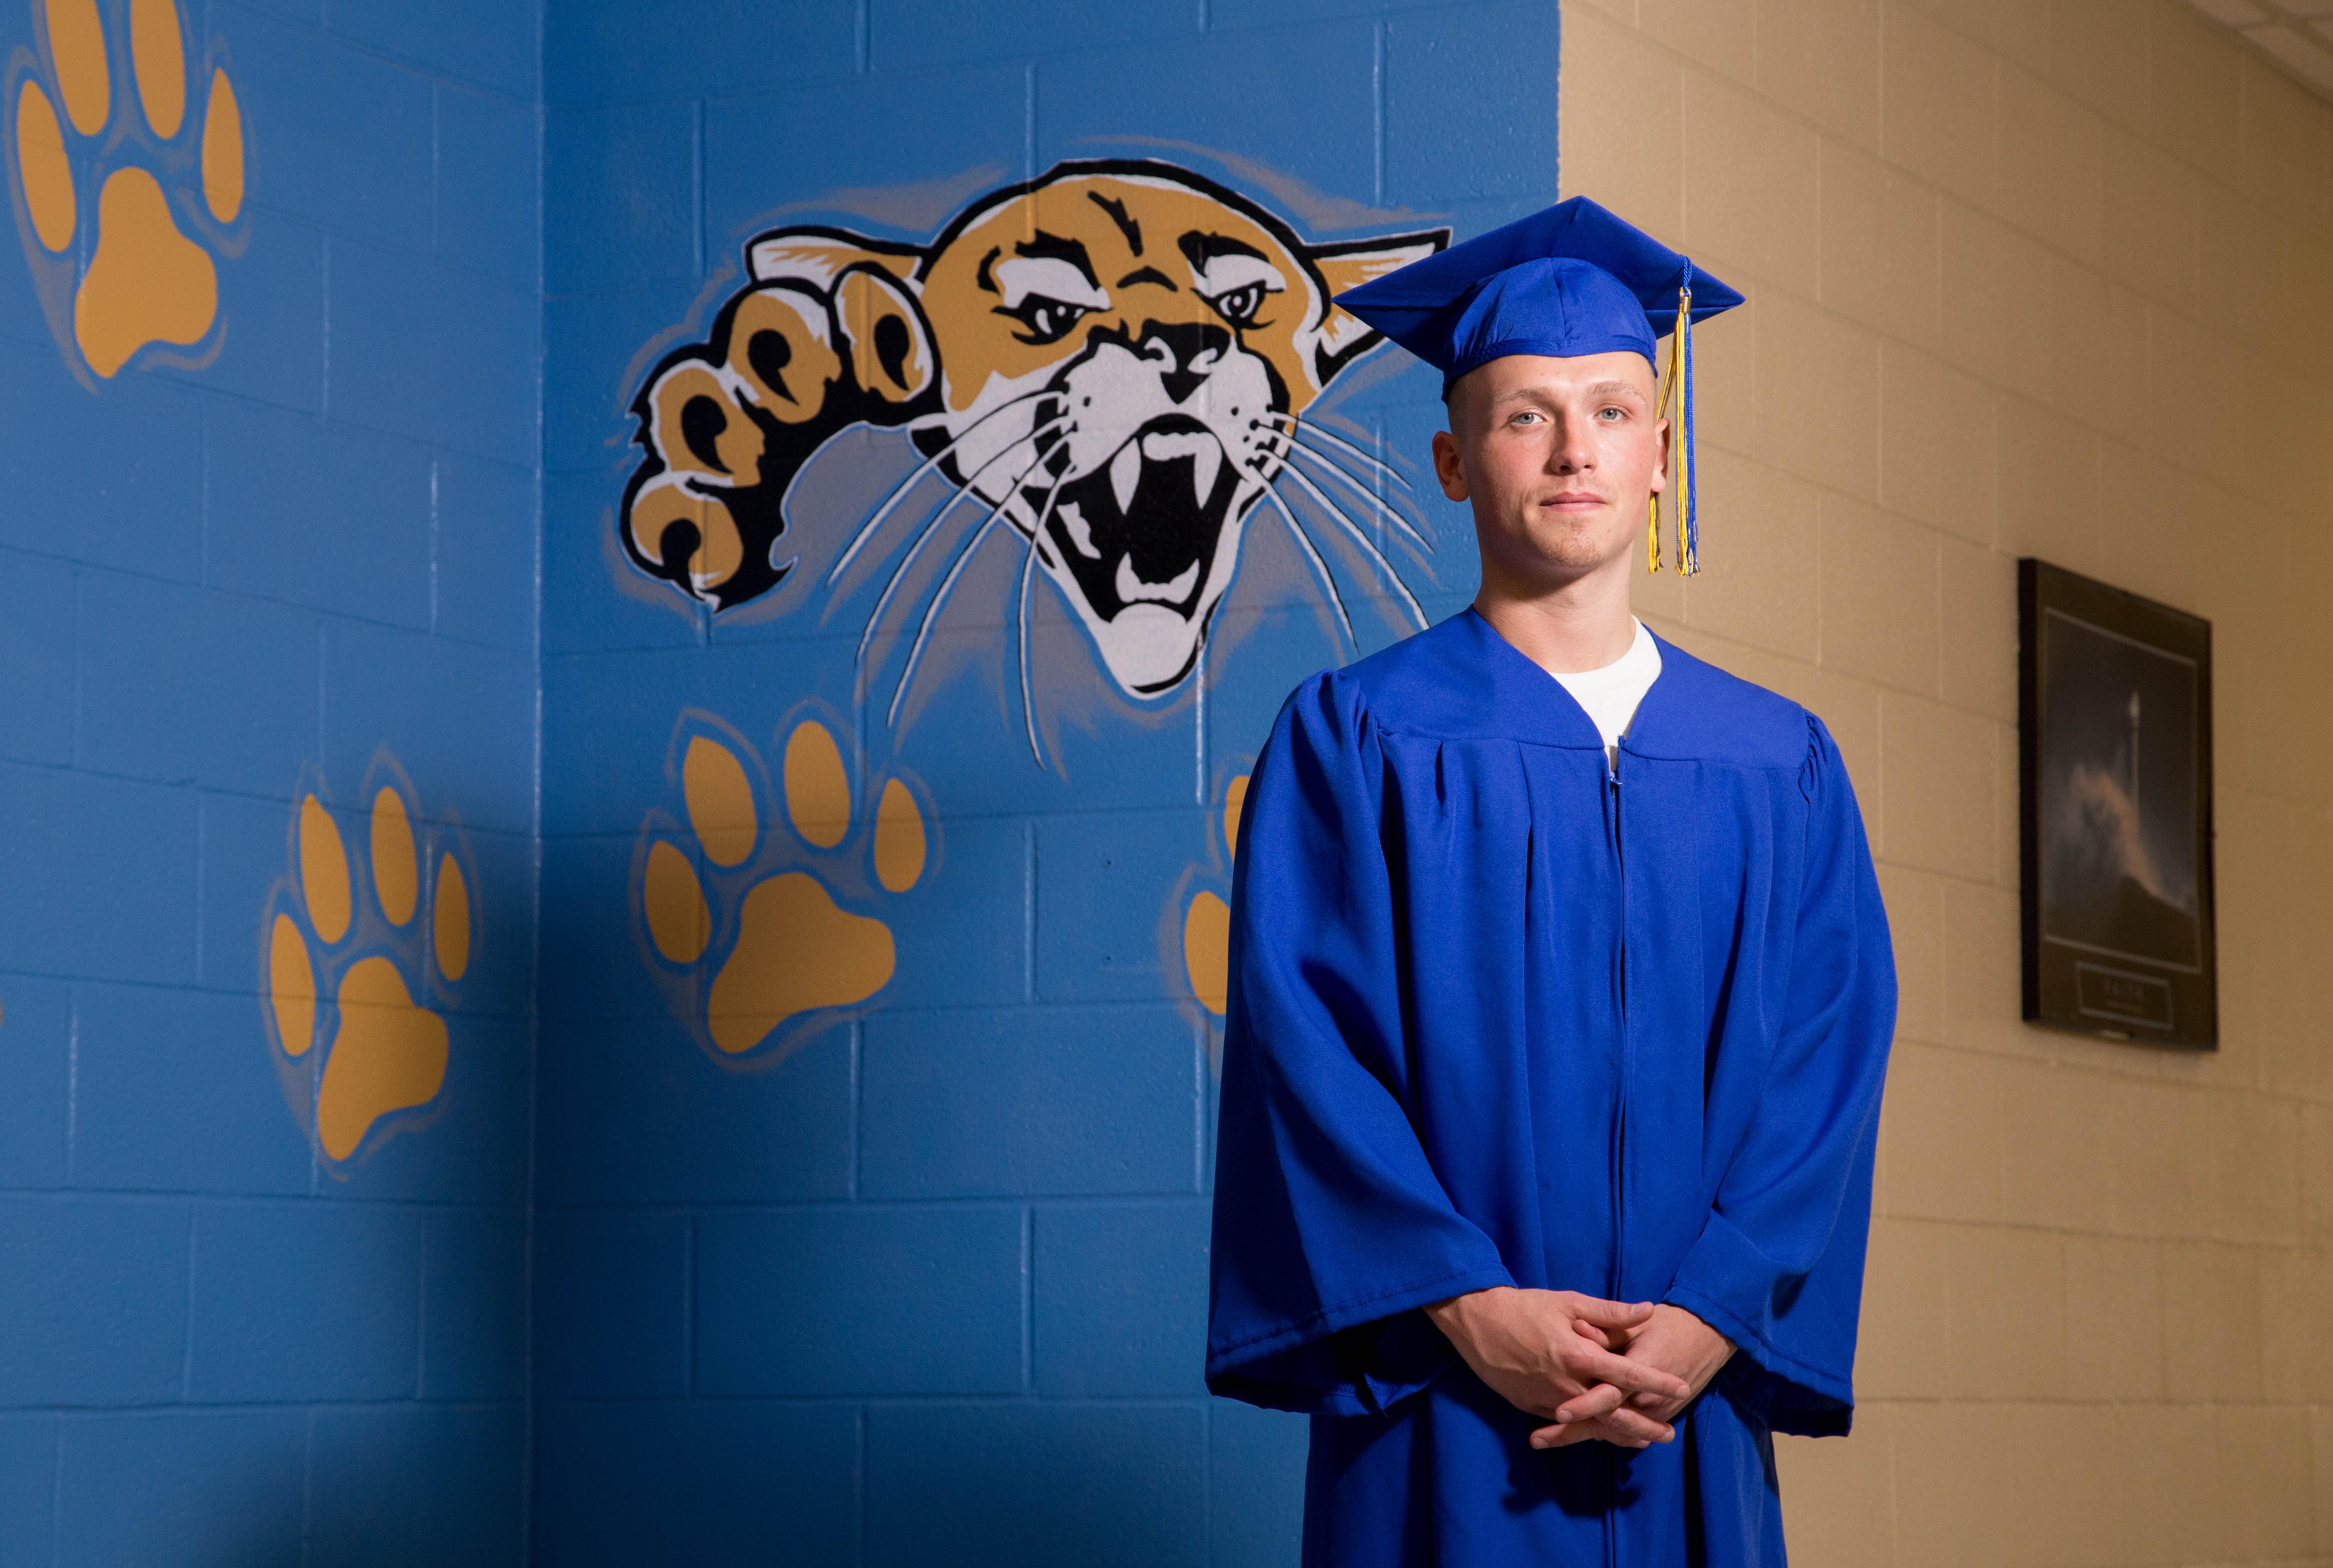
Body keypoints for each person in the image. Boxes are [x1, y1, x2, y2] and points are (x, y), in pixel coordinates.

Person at [1205, 197, 1896, 1565]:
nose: (1575, 446)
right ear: (1456, 462)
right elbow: (1308, 1055)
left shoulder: (1780, 762)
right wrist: (1467, 1306)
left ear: (1660, 457)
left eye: (1612, 410)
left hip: (1680, 1403)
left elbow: (1827, 1065)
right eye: (1527, 414)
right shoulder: (1358, 737)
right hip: (1443, 1409)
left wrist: (1713, 1317)